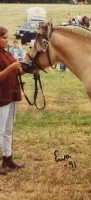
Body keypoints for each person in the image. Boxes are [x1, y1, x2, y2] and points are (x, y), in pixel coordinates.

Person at [0, 26, 25, 175]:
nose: (7, 40)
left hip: (11, 95)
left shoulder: (6, 52)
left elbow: (17, 71)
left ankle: (7, 159)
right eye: (4, 38)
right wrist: (11, 67)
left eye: (7, 38)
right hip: (2, 97)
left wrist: (30, 67)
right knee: (0, 131)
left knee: (8, 130)